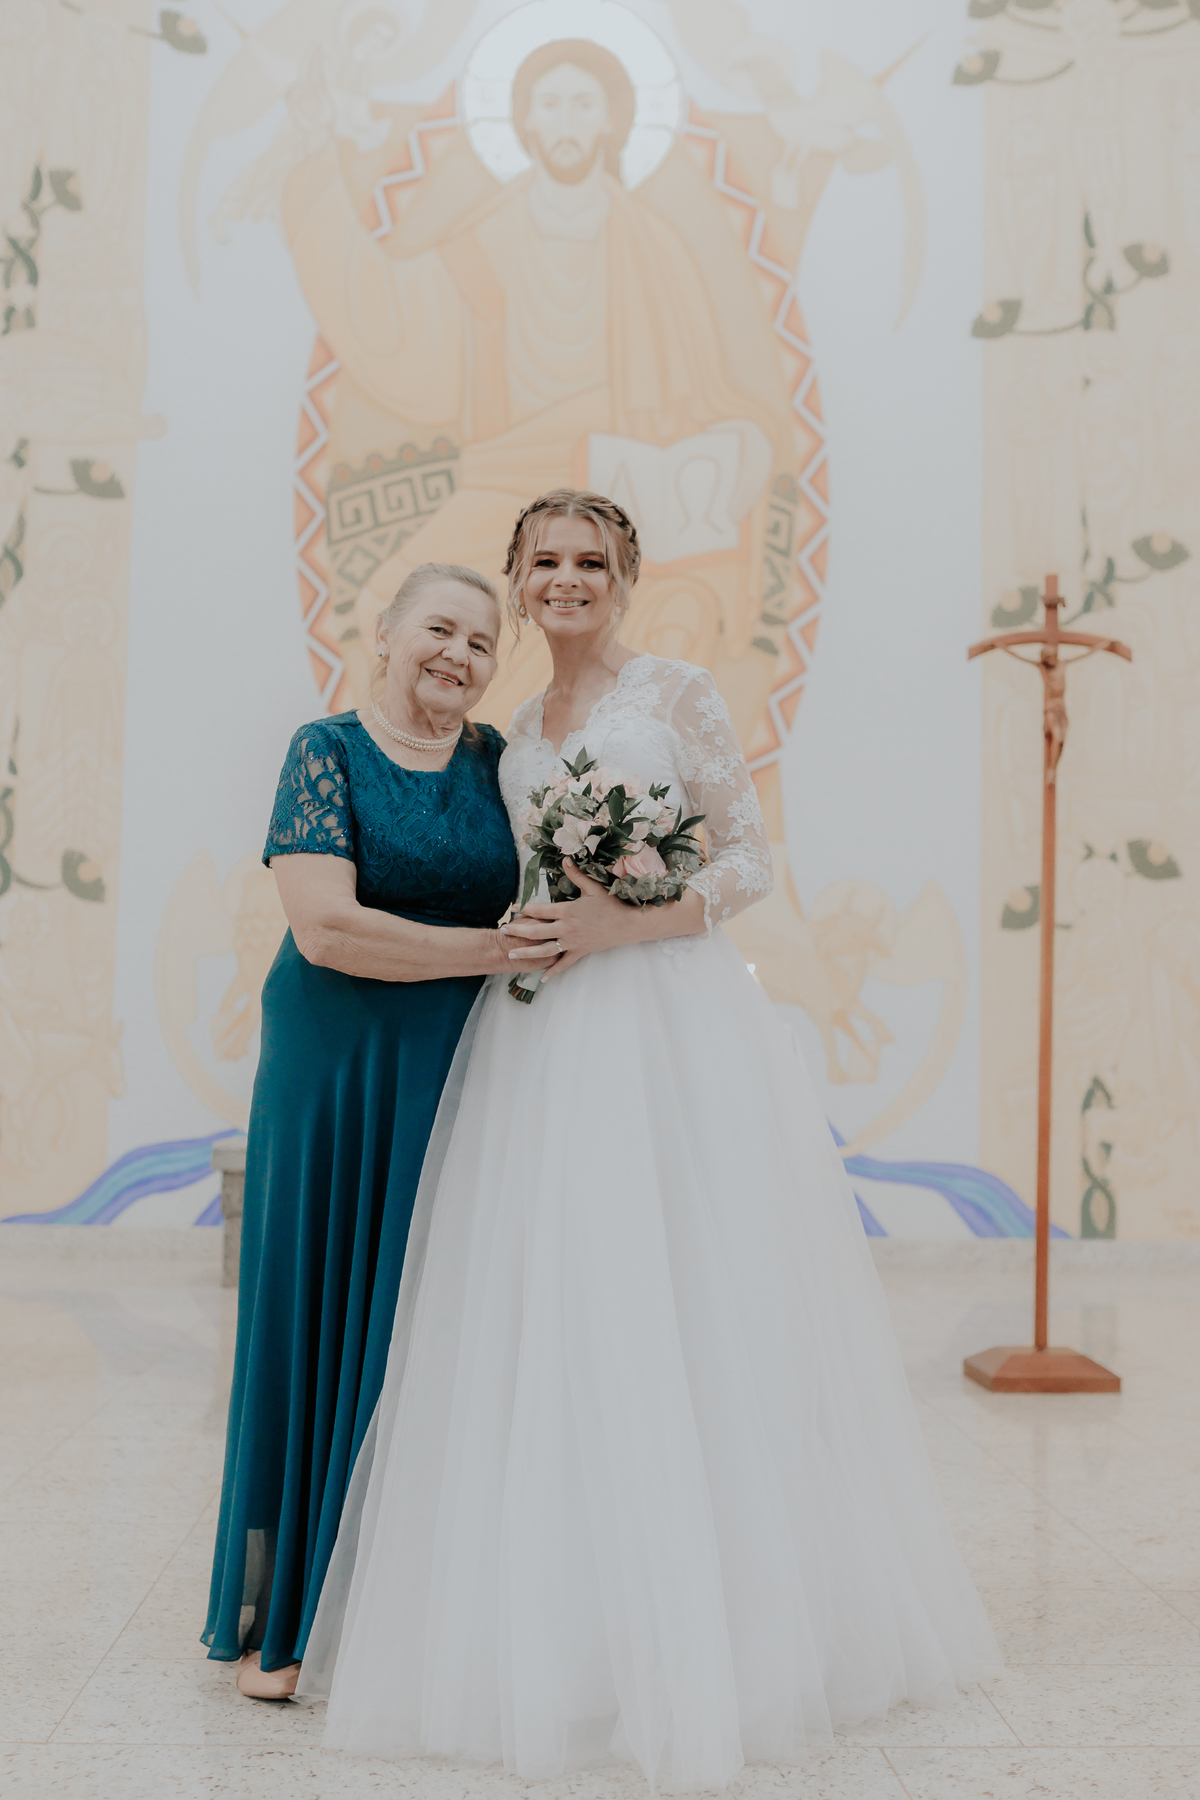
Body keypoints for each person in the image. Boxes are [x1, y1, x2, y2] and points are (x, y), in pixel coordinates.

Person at [299, 494, 1000, 1785]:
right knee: (557, 1308)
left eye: (592, 562)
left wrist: (621, 921)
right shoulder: (510, 735)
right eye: (545, 562)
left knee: (695, 1298)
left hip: (671, 1024)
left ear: (625, 578)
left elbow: (745, 863)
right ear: (518, 579)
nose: (566, 580)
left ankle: (732, 1637)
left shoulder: (675, 693)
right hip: (544, 1038)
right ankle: (565, 1638)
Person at [203, 562, 558, 1697]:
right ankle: (290, 1609)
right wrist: (495, 950)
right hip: (337, 1056)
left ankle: (403, 1602)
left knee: (430, 1319)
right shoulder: (325, 751)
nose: (459, 654)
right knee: (315, 1309)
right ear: (388, 634)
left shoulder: (499, 762)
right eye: (439, 630)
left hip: (460, 1065)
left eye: (482, 642)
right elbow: (327, 930)